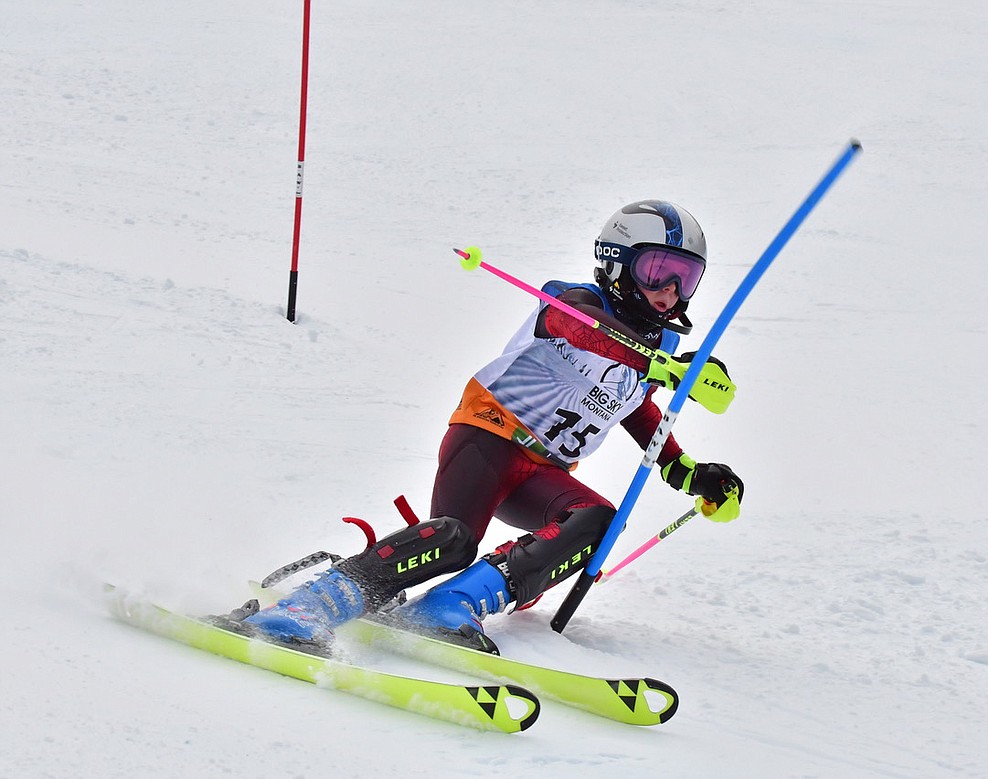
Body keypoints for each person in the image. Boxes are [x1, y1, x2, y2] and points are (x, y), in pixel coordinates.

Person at [243, 200, 745, 653]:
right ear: (616, 261)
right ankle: (307, 606)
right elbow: (580, 328)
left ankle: (446, 608)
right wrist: (656, 362)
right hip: (487, 438)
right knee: (453, 540)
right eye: (658, 271)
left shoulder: (659, 350)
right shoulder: (571, 299)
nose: (671, 291)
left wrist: (684, 469)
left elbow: (633, 406)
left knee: (597, 519)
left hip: (543, 469)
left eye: (686, 276)